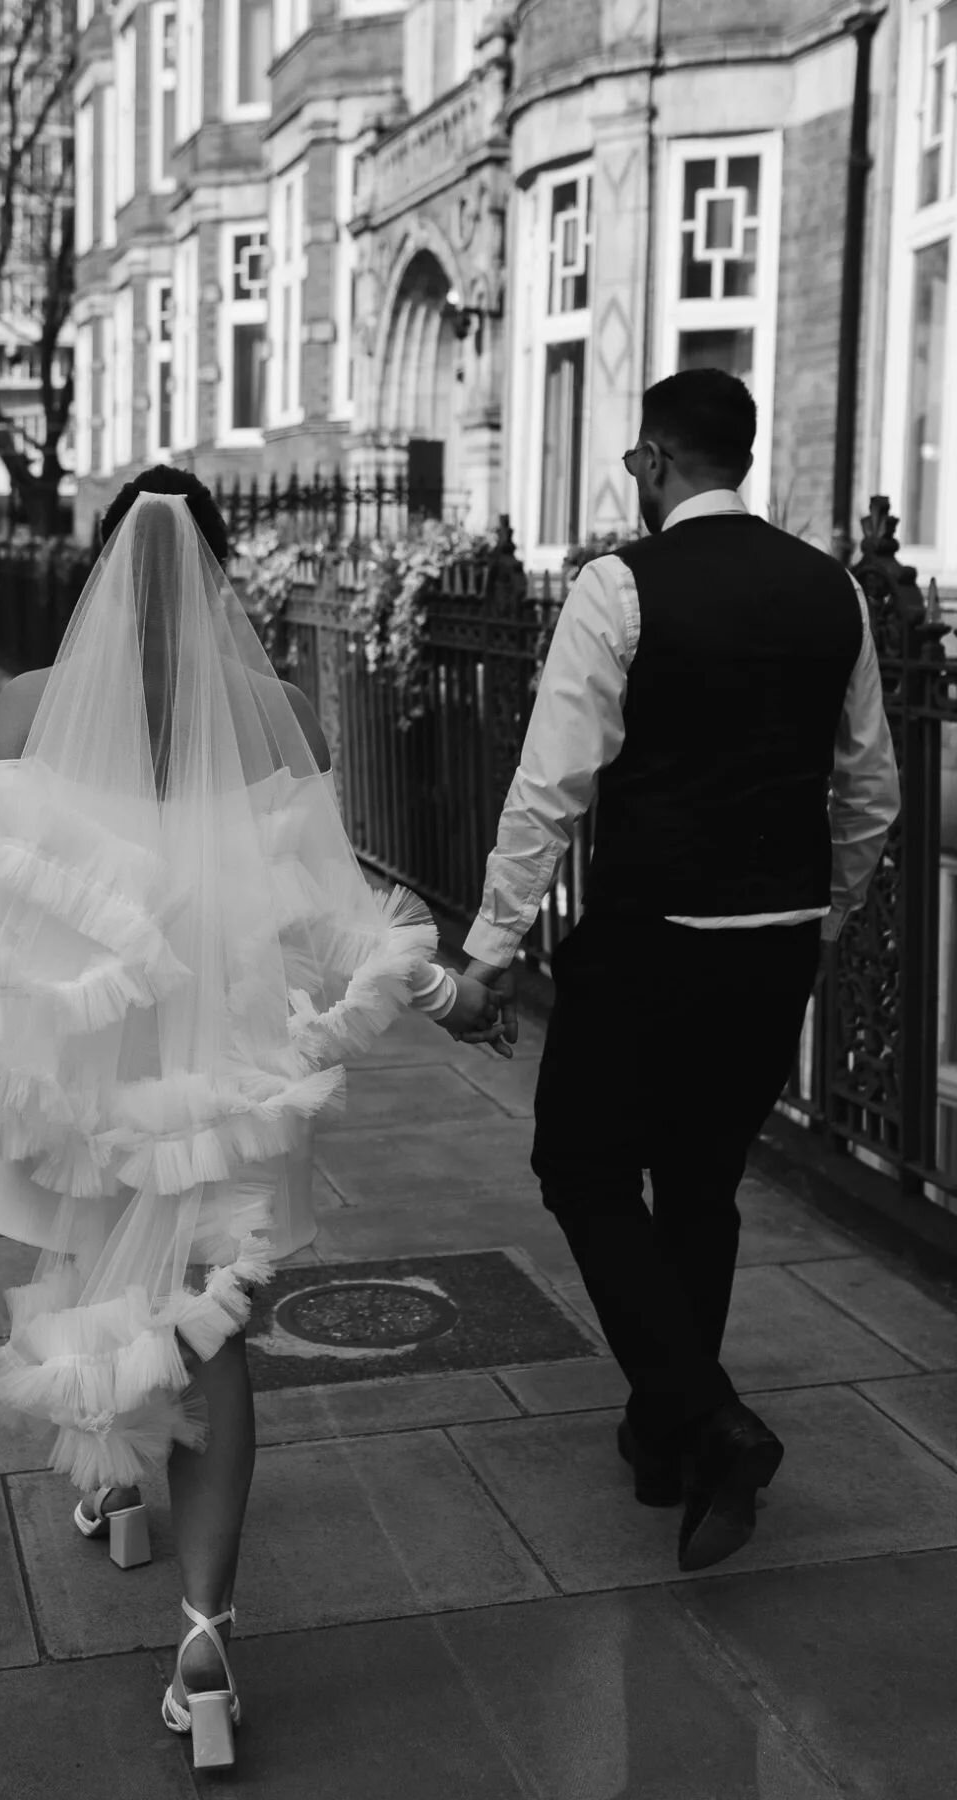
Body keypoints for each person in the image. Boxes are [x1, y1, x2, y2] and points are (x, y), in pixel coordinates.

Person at [0, 466, 479, 1769]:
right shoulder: (273, 712)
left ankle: (113, 1485)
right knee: (216, 1341)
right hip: (221, 1080)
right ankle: (207, 1644)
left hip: (74, 1062)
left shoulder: (25, 707)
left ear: (102, 573)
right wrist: (441, 987)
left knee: (72, 1263)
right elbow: (328, 915)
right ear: (220, 575)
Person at [439, 367, 900, 1574]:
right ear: (741, 458)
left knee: (581, 1166)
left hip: (653, 937)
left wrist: (488, 950)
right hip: (776, 942)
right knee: (699, 1185)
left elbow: (553, 786)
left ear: (652, 462)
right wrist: (827, 912)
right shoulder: (833, 589)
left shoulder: (618, 585)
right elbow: (870, 790)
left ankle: (710, 1419)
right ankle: (663, 1445)